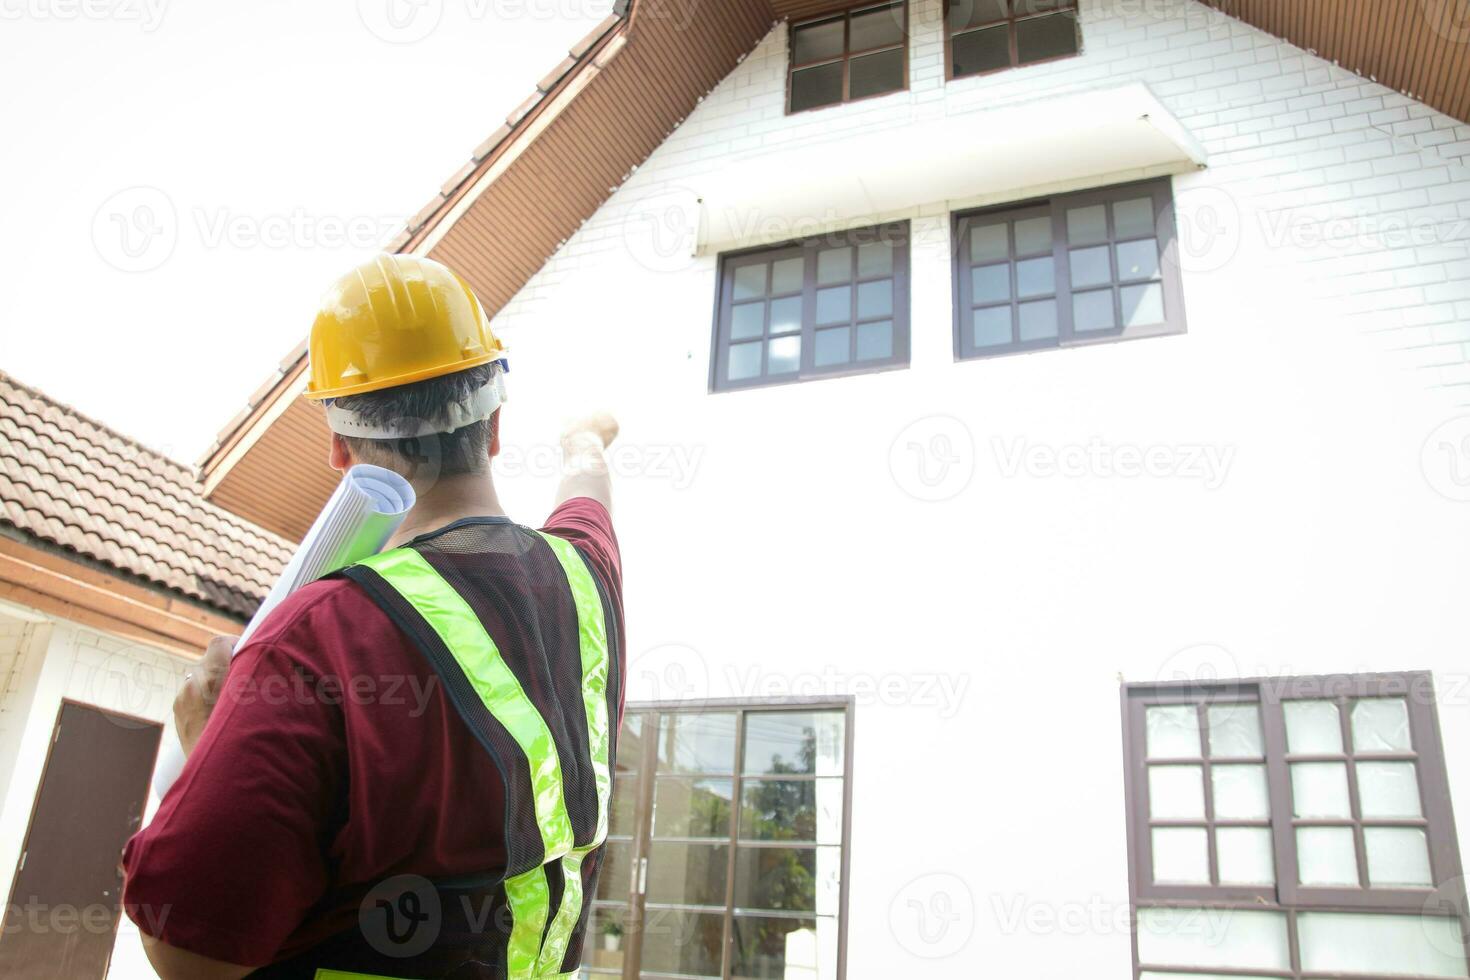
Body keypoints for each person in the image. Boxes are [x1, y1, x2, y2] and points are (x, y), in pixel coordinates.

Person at [122, 254, 624, 979]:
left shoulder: (314, 636)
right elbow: (589, 496)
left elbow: (190, 954)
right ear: (494, 428)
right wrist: (586, 439)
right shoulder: (586, 580)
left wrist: (207, 752)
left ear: (339, 448)